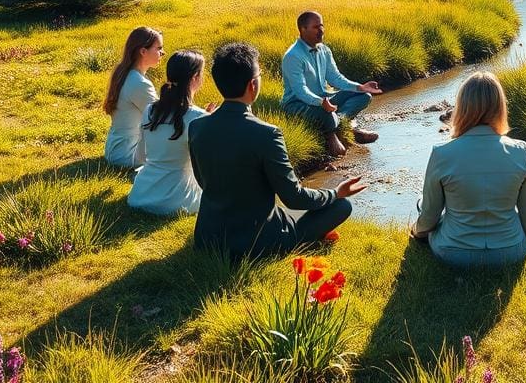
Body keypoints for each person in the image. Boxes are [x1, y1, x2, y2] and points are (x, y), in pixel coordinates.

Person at [189, 42, 364, 259]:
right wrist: (335, 193)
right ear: (253, 85)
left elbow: (202, 181)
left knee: (285, 211)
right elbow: (294, 198)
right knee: (341, 206)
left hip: (208, 238)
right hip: (257, 243)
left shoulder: (197, 126)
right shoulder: (267, 134)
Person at [412, 72, 526, 268]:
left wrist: (418, 232)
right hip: (511, 251)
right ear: (500, 107)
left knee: (423, 204)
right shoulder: (521, 150)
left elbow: (430, 216)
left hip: (454, 252)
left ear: (461, 107)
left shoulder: (442, 153)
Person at [281, 10, 383, 157]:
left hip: (324, 98)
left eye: (322, 26)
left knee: (364, 96)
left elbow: (335, 78)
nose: (321, 31)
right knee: (325, 114)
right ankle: (334, 132)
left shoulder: (324, 50)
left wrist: (360, 87)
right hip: (296, 104)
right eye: (316, 27)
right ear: (303, 29)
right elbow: (300, 91)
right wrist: (321, 102)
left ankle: (339, 122)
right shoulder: (292, 56)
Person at [128, 51, 214, 215]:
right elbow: (209, 168)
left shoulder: (150, 110)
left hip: (141, 194)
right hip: (179, 200)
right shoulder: (198, 118)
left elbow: (140, 156)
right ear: (195, 77)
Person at [103, 26, 164, 168]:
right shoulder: (138, 83)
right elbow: (163, 117)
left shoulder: (125, 73)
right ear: (143, 51)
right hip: (127, 154)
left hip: (115, 149)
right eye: (159, 48)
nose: (162, 53)